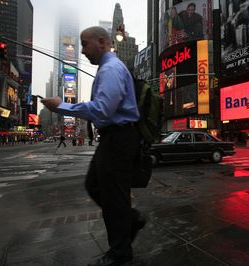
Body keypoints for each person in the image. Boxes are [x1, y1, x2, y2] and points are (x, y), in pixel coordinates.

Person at [41, 26, 145, 266]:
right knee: (97, 186)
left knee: (112, 195)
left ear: (102, 42)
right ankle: (130, 221)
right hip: (114, 138)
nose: (83, 50)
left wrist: (62, 106)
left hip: (119, 138)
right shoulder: (108, 69)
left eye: (85, 44)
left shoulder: (111, 69)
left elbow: (102, 110)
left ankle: (120, 254)